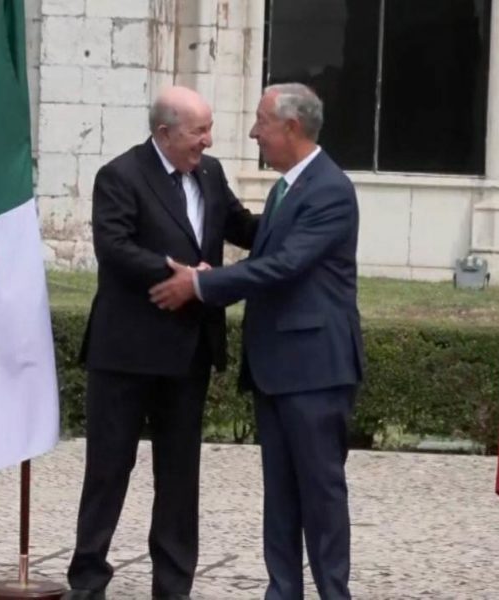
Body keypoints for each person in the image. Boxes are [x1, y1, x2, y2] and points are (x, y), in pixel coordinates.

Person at [149, 83, 364, 600]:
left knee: (321, 496)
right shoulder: (286, 187)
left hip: (315, 370)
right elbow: (267, 253)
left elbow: (284, 266)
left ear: (291, 127)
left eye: (261, 123)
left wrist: (201, 285)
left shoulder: (330, 189)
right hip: (278, 369)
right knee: (281, 498)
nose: (253, 133)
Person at [64, 86, 259, 600]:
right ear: (164, 132)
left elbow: (242, 226)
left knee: (179, 478)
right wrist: (178, 273)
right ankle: (88, 582)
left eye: (208, 129)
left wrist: (297, 215)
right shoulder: (120, 175)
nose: (208, 140)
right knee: (108, 471)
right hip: (126, 353)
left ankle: (173, 587)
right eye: (199, 131)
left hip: (189, 352)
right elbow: (114, 247)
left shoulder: (211, 173)